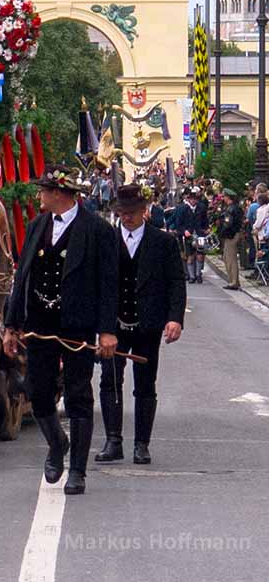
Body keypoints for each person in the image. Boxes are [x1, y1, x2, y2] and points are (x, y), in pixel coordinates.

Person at [3, 165, 118, 495]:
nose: (38, 196)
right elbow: (22, 278)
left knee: (78, 394)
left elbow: (109, 286)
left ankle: (78, 472)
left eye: (43, 190)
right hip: (39, 326)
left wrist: (107, 331)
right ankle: (57, 444)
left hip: (77, 325)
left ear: (58, 194)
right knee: (38, 393)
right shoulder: (38, 225)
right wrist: (12, 326)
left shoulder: (96, 230)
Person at [95, 185, 186, 466]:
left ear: (144, 211)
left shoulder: (163, 242)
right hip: (114, 324)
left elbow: (175, 282)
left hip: (148, 323)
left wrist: (175, 318)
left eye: (132, 213)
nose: (127, 218)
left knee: (145, 384)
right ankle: (113, 440)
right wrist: (101, 326)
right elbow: (98, 286)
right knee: (110, 381)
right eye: (122, 213)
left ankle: (142, 444)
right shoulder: (107, 241)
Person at [173, 189, 208, 283]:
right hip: (189, 235)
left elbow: (205, 220)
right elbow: (178, 224)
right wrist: (184, 231)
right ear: (188, 199)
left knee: (200, 255)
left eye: (195, 199)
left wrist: (206, 228)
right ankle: (192, 276)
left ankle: (198, 274)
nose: (193, 201)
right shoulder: (183, 209)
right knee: (190, 256)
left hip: (200, 234)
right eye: (191, 199)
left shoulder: (201, 207)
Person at [219, 188, 244, 290]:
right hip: (234, 234)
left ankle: (233, 282)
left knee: (230, 259)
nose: (223, 198)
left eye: (224, 196)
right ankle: (233, 281)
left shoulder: (231, 209)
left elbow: (228, 224)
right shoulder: (236, 208)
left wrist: (222, 232)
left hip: (231, 235)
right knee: (227, 257)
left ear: (228, 197)